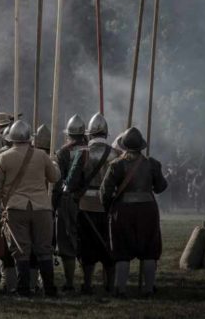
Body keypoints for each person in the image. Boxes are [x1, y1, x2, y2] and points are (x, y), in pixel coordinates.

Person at [0, 120, 61, 297]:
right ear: (29, 138)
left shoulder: (3, 157)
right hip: (41, 208)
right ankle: (49, 289)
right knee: (44, 250)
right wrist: (54, 163)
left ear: (10, 138)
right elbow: (55, 177)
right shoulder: (41, 156)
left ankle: (23, 289)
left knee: (20, 250)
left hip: (15, 208)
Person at [100, 127, 167, 298]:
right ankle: (149, 288)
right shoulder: (151, 163)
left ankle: (120, 289)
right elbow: (161, 187)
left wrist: (109, 208)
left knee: (122, 251)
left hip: (123, 212)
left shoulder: (116, 165)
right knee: (149, 250)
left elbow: (105, 192)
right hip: (148, 210)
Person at [64, 113, 117, 294]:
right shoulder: (115, 153)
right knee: (108, 245)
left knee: (87, 247)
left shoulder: (82, 153)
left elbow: (71, 182)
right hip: (108, 206)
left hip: (85, 205)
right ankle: (110, 285)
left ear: (90, 133)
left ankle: (87, 284)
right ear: (106, 133)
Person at [53, 114, 88, 292]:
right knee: (91, 241)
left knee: (67, 242)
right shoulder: (93, 150)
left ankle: (69, 282)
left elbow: (58, 181)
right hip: (92, 202)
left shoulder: (62, 153)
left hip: (68, 202)